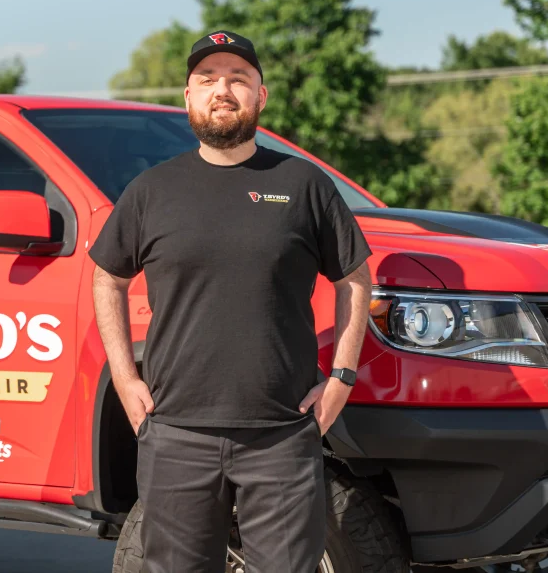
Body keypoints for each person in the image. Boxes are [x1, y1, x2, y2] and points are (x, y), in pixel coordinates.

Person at [90, 30, 373, 572]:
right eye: (208, 79)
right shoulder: (152, 191)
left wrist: (341, 378)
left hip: (282, 436)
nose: (223, 89)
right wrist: (126, 380)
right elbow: (107, 278)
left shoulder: (302, 183)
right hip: (175, 435)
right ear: (189, 97)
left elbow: (354, 279)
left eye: (238, 79)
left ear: (260, 97)